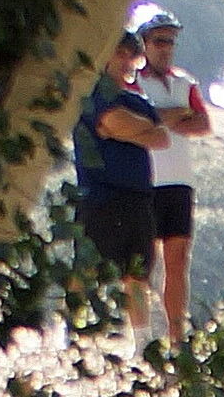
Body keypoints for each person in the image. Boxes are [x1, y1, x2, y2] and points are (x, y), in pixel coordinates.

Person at [71, 30, 172, 342]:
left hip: (138, 200)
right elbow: (111, 123)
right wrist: (133, 129)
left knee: (137, 275)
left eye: (133, 55)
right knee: (86, 271)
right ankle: (72, 333)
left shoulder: (137, 100)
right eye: (121, 53)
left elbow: (161, 137)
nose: (127, 61)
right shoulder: (91, 97)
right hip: (100, 198)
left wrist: (130, 130)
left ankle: (141, 342)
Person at [125, 3, 213, 345]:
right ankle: (142, 340)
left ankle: (178, 337)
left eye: (170, 41)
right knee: (140, 265)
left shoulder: (185, 81)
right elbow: (137, 120)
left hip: (178, 181)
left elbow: (203, 123)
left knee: (178, 262)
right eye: (159, 40)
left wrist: (160, 116)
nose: (165, 47)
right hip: (143, 181)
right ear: (144, 43)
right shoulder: (133, 83)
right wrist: (175, 115)